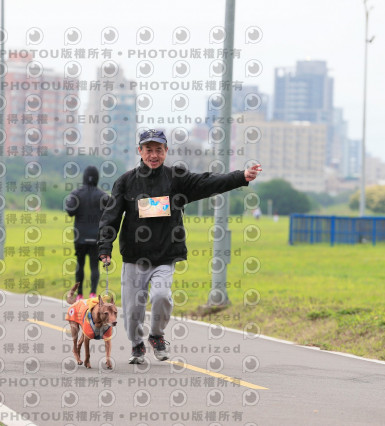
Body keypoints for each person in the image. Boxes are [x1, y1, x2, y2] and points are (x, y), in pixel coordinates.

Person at [98, 129, 262, 364]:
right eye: (148, 150)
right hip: (135, 256)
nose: (153, 155)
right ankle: (137, 345)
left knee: (162, 296)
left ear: (166, 151)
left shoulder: (176, 178)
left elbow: (208, 182)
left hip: (165, 255)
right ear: (140, 151)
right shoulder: (126, 182)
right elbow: (111, 216)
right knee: (133, 309)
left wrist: (241, 176)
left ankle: (156, 335)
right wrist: (105, 247)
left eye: (158, 150)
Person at [65, 166, 107, 300]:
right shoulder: (103, 195)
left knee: (80, 264)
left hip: (80, 236)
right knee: (94, 266)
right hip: (96, 236)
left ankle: (79, 294)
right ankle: (93, 293)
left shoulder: (76, 194)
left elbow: (70, 211)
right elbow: (110, 213)